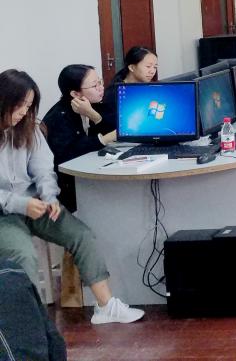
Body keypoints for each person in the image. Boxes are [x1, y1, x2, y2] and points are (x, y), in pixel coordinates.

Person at [0, 70, 144, 324]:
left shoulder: (29, 129)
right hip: (5, 214)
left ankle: (106, 307)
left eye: (29, 106)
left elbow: (44, 170)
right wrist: (21, 204)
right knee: (24, 255)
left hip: (37, 204)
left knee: (82, 236)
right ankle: (32, 323)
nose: (24, 112)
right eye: (20, 105)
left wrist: (50, 197)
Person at [41, 65, 116, 211]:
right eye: (95, 85)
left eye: (100, 82)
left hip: (90, 171)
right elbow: (69, 154)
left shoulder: (93, 103)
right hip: (67, 186)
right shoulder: (58, 117)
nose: (101, 88)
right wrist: (104, 139)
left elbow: (113, 127)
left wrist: (93, 115)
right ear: (75, 94)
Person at [96, 46, 158, 123]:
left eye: (155, 67)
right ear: (131, 67)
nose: (152, 71)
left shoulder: (151, 87)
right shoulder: (115, 91)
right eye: (148, 66)